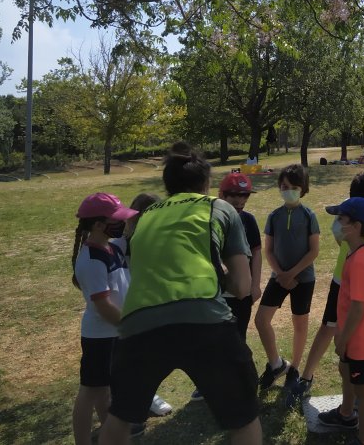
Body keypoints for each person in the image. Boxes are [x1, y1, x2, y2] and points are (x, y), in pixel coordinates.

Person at [98, 142, 262, 445]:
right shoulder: (219, 207)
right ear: (206, 184)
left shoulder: (143, 217)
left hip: (138, 325)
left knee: (119, 419)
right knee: (244, 418)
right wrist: (217, 277)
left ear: (168, 185)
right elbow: (242, 286)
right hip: (205, 319)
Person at [285, 170, 364, 408]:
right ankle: (307, 377)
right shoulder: (354, 213)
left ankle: (358, 397)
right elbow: (339, 236)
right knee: (329, 327)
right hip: (343, 280)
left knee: (361, 339)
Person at [71, 192, 140, 445]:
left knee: (105, 390)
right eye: (117, 219)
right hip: (101, 336)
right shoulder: (91, 260)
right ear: (99, 225)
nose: (122, 224)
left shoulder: (111, 247)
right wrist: (128, 326)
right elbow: (103, 305)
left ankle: (111, 436)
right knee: (90, 391)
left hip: (114, 333)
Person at [316, 197, 364, 445]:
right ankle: (346, 414)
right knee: (345, 370)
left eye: (341, 219)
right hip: (351, 339)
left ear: (355, 226)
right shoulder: (354, 255)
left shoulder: (360, 262)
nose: (336, 224)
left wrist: (343, 339)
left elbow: (358, 307)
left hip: (360, 343)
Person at [191, 171, 262, 400]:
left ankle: (240, 381)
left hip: (241, 293)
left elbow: (257, 252)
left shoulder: (248, 220)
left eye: (245, 196)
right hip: (216, 293)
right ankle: (209, 382)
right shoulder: (209, 219)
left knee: (237, 338)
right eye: (234, 197)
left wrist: (255, 284)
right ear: (221, 194)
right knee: (211, 338)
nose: (240, 201)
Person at [254, 164, 320, 391]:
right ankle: (277, 364)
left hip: (304, 279)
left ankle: (295, 368)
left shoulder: (309, 215)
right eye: (284, 186)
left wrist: (292, 274)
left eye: (293, 187)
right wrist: (281, 274)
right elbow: (269, 250)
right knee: (261, 320)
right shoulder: (274, 216)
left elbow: (314, 251)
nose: (288, 190)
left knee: (299, 323)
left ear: (303, 189)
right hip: (278, 277)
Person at [120, 193, 173, 418]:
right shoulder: (123, 242)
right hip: (132, 305)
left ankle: (142, 396)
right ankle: (140, 400)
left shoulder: (159, 238)